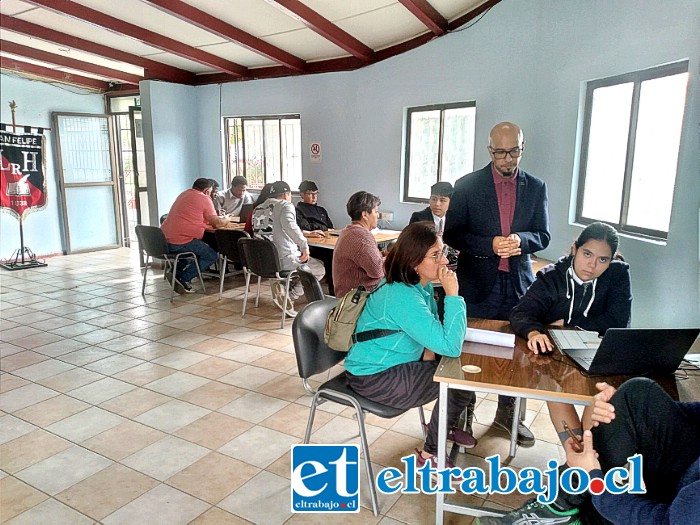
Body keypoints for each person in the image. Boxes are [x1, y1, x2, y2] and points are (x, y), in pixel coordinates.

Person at [444, 122, 550, 447]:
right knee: (470, 353)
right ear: (490, 150)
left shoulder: (536, 186)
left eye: (514, 151)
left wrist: (521, 239)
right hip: (477, 283)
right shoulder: (466, 185)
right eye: (501, 152)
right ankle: (463, 416)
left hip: (518, 284)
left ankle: (510, 416)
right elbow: (453, 234)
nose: (508, 159)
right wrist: (489, 245)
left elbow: (543, 235)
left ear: (523, 147)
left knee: (519, 357)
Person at [345, 222, 477, 473]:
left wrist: (429, 363)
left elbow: (434, 337)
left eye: (443, 252)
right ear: (415, 262)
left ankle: (442, 426)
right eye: (435, 256)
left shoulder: (420, 287)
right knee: (458, 383)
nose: (444, 262)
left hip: (396, 364)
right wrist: (453, 295)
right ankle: (430, 454)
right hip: (374, 376)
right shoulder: (403, 295)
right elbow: (451, 346)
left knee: (458, 377)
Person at [478, 377, 700, 524]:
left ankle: (562, 507)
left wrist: (595, 481)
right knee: (637, 393)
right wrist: (629, 413)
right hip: (688, 476)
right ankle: (560, 505)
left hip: (671, 513)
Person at [510, 222, 632, 444]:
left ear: (611, 260)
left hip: (600, 355)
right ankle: (579, 457)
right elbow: (521, 313)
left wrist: (569, 321)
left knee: (600, 394)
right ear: (575, 249)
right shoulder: (551, 276)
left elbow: (618, 323)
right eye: (587, 254)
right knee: (554, 390)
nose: (592, 265)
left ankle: (581, 456)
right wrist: (534, 332)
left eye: (603, 260)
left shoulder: (618, 275)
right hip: (558, 357)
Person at [252, 180, 325, 317]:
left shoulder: (258, 208)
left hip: (262, 262)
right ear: (286, 194)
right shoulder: (285, 205)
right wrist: (304, 246)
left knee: (304, 268)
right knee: (318, 268)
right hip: (283, 259)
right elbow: (291, 227)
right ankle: (288, 296)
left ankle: (282, 287)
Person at [161, 178, 226, 294]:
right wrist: (226, 219)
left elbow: (191, 216)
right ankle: (183, 279)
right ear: (207, 191)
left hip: (165, 240)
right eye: (211, 192)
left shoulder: (184, 194)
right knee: (211, 255)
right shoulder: (204, 198)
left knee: (191, 254)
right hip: (181, 240)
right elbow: (216, 222)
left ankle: (175, 273)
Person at [332, 191, 384, 297]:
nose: (378, 216)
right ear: (364, 214)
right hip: (356, 301)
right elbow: (377, 271)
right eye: (376, 212)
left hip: (350, 294)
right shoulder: (361, 237)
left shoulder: (349, 230)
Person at [296, 180, 336, 295]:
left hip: (325, 242)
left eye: (316, 193)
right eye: (310, 194)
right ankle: (332, 291)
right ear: (302, 194)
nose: (314, 197)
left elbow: (330, 227)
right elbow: (305, 227)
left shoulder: (322, 210)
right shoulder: (298, 210)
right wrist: (321, 228)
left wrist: (322, 229)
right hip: (311, 247)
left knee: (337, 252)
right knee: (330, 255)